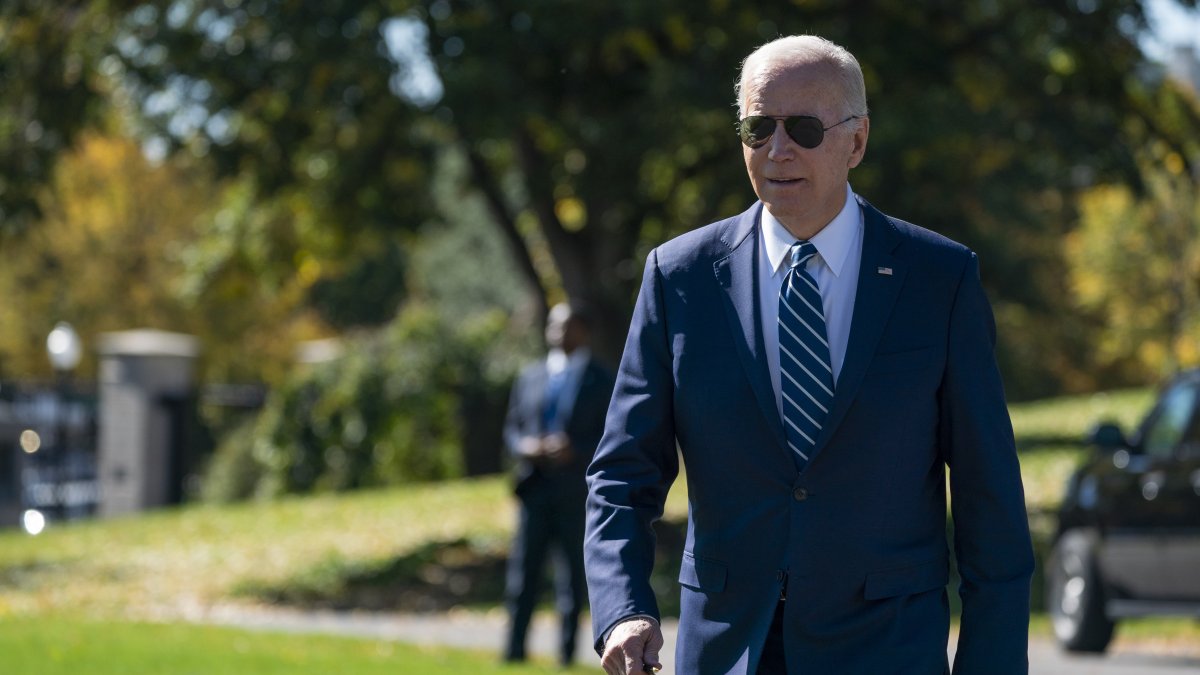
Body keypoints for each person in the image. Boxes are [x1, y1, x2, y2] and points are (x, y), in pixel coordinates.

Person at [584, 35, 1034, 674]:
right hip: (727, 649)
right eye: (758, 127)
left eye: (801, 128)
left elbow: (991, 503)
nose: (777, 149)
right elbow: (622, 476)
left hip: (888, 649)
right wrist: (623, 609)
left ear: (857, 142)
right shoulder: (678, 277)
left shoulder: (940, 280)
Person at [503, 302, 616, 667]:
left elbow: (612, 434)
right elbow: (512, 429)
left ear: (582, 331)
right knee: (524, 576)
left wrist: (577, 451)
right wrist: (526, 447)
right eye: (552, 325)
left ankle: (566, 656)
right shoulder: (530, 375)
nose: (557, 333)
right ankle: (514, 653)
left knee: (572, 579)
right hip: (534, 489)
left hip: (576, 492)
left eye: (566, 326)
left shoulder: (603, 380)